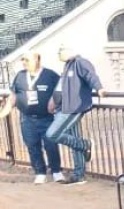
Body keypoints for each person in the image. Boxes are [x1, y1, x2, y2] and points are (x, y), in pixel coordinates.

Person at [46, 45, 104, 184]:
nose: (58, 54)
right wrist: (53, 100)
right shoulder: (67, 66)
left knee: (52, 134)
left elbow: (90, 75)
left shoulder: (80, 62)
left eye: (60, 51)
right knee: (73, 139)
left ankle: (85, 144)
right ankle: (79, 174)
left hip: (73, 108)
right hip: (63, 107)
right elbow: (61, 87)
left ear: (69, 50)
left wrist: (99, 88)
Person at [11, 52, 64, 183]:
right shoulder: (20, 76)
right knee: (32, 146)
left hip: (46, 118)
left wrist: (54, 99)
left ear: (37, 60)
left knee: (51, 144)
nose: (24, 62)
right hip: (27, 119)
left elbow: (62, 88)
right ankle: (40, 172)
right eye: (22, 60)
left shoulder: (50, 75)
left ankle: (56, 170)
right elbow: (13, 96)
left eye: (27, 60)